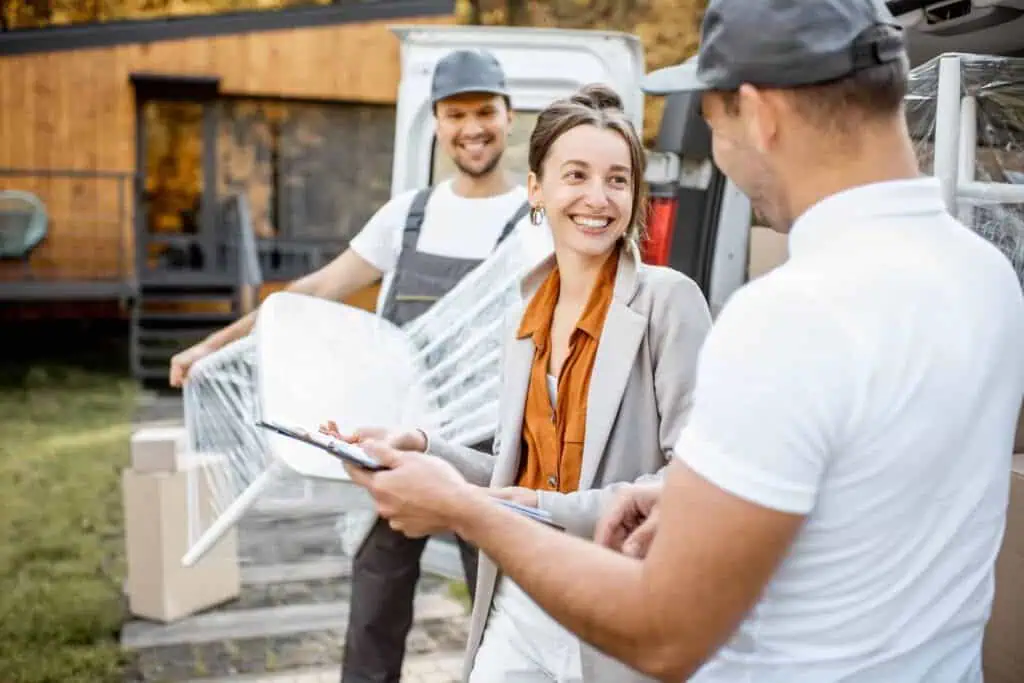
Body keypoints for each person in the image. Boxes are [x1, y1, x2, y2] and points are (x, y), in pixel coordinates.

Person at [335, 1, 1024, 682]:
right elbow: (867, 485)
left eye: (714, 122)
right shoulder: (989, 278)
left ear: (760, 114)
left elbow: (664, 634)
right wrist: (692, 498)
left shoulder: (786, 317)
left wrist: (462, 508)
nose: (719, 155)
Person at [168, 48, 534, 683]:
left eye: (485, 112)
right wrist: (214, 346)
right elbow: (310, 295)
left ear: (508, 116)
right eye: (456, 114)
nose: (472, 128)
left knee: (496, 616)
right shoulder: (409, 215)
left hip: (488, 449)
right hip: (394, 444)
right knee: (374, 606)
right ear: (438, 123)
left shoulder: (534, 222)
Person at [326, 82, 712, 683]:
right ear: (537, 188)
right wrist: (425, 448)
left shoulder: (669, 303)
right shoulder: (522, 316)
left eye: (617, 179)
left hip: (615, 612)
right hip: (519, 601)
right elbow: (512, 476)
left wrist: (542, 509)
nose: (598, 198)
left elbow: (693, 483)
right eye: (576, 175)